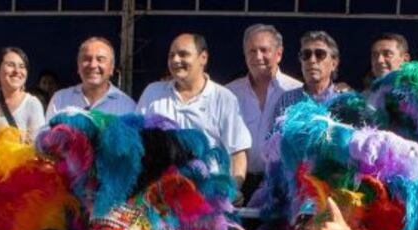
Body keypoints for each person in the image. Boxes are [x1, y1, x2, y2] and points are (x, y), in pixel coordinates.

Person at [136, 33, 251, 185]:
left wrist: (234, 190)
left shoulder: (223, 98)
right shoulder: (153, 92)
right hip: (158, 196)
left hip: (207, 196)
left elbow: (237, 152)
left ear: (203, 58)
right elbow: (135, 142)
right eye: (171, 56)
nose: (175, 60)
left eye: (183, 54)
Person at [226, 24, 302, 202]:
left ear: (279, 53)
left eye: (264, 50)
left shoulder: (296, 91)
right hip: (237, 185)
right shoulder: (229, 93)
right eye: (252, 51)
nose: (258, 57)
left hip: (281, 186)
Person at [46, 37, 137, 118]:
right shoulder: (60, 99)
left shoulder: (127, 106)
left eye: (100, 59)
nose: (93, 65)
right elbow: (47, 136)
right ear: (78, 66)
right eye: (87, 59)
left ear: (111, 68)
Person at [272, 31, 344, 120]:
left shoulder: (346, 101)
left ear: (334, 64)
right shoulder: (287, 101)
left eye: (319, 54)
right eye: (306, 54)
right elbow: (276, 133)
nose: (312, 60)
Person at [0, 47, 46, 143]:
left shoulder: (32, 104)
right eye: (10, 65)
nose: (17, 71)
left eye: (22, 66)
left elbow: (38, 148)